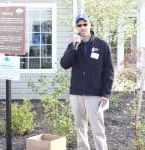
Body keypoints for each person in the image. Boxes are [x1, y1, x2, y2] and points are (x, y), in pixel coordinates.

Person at [60, 14, 114, 150]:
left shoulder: (102, 45)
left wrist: (105, 93)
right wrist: (74, 47)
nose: (82, 27)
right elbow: (65, 64)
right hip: (76, 94)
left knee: (98, 128)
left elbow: (109, 71)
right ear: (76, 28)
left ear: (90, 25)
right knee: (80, 127)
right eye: (79, 25)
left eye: (85, 24)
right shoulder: (73, 45)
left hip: (94, 94)